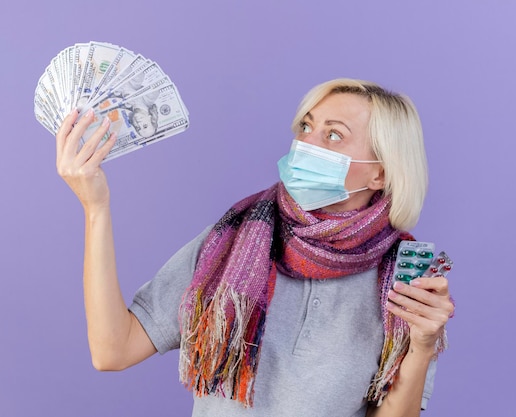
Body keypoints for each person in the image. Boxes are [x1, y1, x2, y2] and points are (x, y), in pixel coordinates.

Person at [55, 78, 454, 417]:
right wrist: (96, 207)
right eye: (305, 126)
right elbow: (112, 350)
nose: (305, 143)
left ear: (380, 172)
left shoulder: (404, 282)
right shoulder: (231, 242)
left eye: (333, 135)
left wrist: (420, 346)